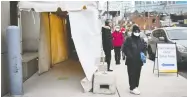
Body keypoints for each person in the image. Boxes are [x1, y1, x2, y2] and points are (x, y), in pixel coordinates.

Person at [122, 25, 146, 95]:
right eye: (135, 31)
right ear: (133, 32)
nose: (137, 32)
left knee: (137, 74)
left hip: (139, 61)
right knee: (132, 74)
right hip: (131, 61)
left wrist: (143, 55)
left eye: (138, 31)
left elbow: (144, 48)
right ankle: (132, 87)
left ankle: (135, 86)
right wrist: (130, 56)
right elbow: (125, 48)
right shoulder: (129, 39)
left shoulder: (141, 39)